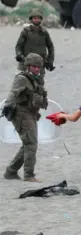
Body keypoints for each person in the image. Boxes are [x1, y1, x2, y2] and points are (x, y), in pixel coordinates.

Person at [2, 53, 48, 182]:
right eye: (34, 66)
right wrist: (7, 105)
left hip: (31, 113)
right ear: (28, 66)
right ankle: (28, 174)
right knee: (31, 144)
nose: (37, 69)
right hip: (21, 114)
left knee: (28, 144)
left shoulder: (35, 79)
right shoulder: (22, 78)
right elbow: (13, 93)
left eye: (39, 67)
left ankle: (11, 171)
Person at [15, 8, 55, 83]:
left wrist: (50, 61)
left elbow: (50, 47)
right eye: (35, 18)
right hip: (27, 62)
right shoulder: (26, 31)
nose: (36, 20)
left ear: (41, 19)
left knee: (39, 84)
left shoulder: (44, 32)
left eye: (38, 18)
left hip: (40, 63)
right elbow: (19, 46)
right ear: (31, 19)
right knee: (23, 83)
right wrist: (19, 55)